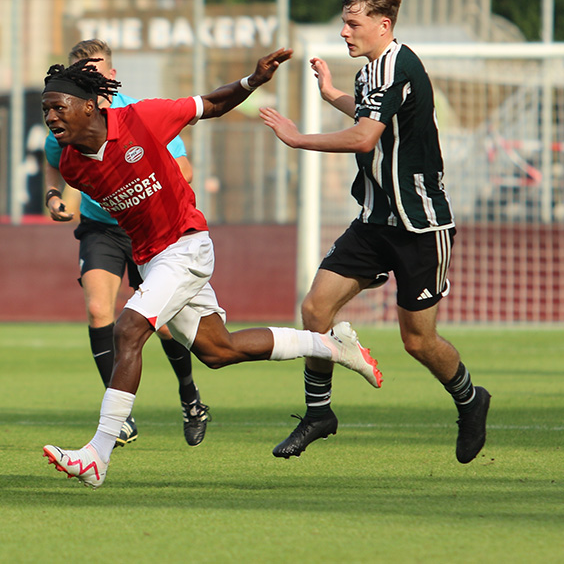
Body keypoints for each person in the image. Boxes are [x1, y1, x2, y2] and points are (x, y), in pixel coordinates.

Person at [41, 49, 384, 489]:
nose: (50, 117)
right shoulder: (72, 163)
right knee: (218, 351)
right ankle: (330, 345)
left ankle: (97, 454)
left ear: (89, 105)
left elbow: (212, 104)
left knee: (127, 329)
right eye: (45, 109)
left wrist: (253, 80)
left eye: (57, 107)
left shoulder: (143, 119)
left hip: (185, 246)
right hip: (152, 259)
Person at [259, 0, 490, 464]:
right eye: (344, 23)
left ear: (383, 25)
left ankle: (471, 400)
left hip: (420, 225)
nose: (345, 32)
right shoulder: (373, 70)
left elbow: (364, 138)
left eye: (352, 23)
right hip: (375, 219)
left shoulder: (395, 67)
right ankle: (319, 413)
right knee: (316, 310)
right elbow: (373, 117)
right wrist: (332, 94)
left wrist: (300, 139)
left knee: (418, 341)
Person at [43, 39, 210, 448]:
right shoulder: (63, 120)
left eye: (97, 69)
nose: (91, 76)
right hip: (101, 228)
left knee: (166, 327)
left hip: (151, 228)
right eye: (82, 70)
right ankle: (119, 418)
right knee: (100, 309)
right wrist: (53, 196)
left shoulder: (138, 113)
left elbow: (184, 169)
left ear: (112, 75)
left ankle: (190, 397)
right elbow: (54, 166)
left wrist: (134, 180)